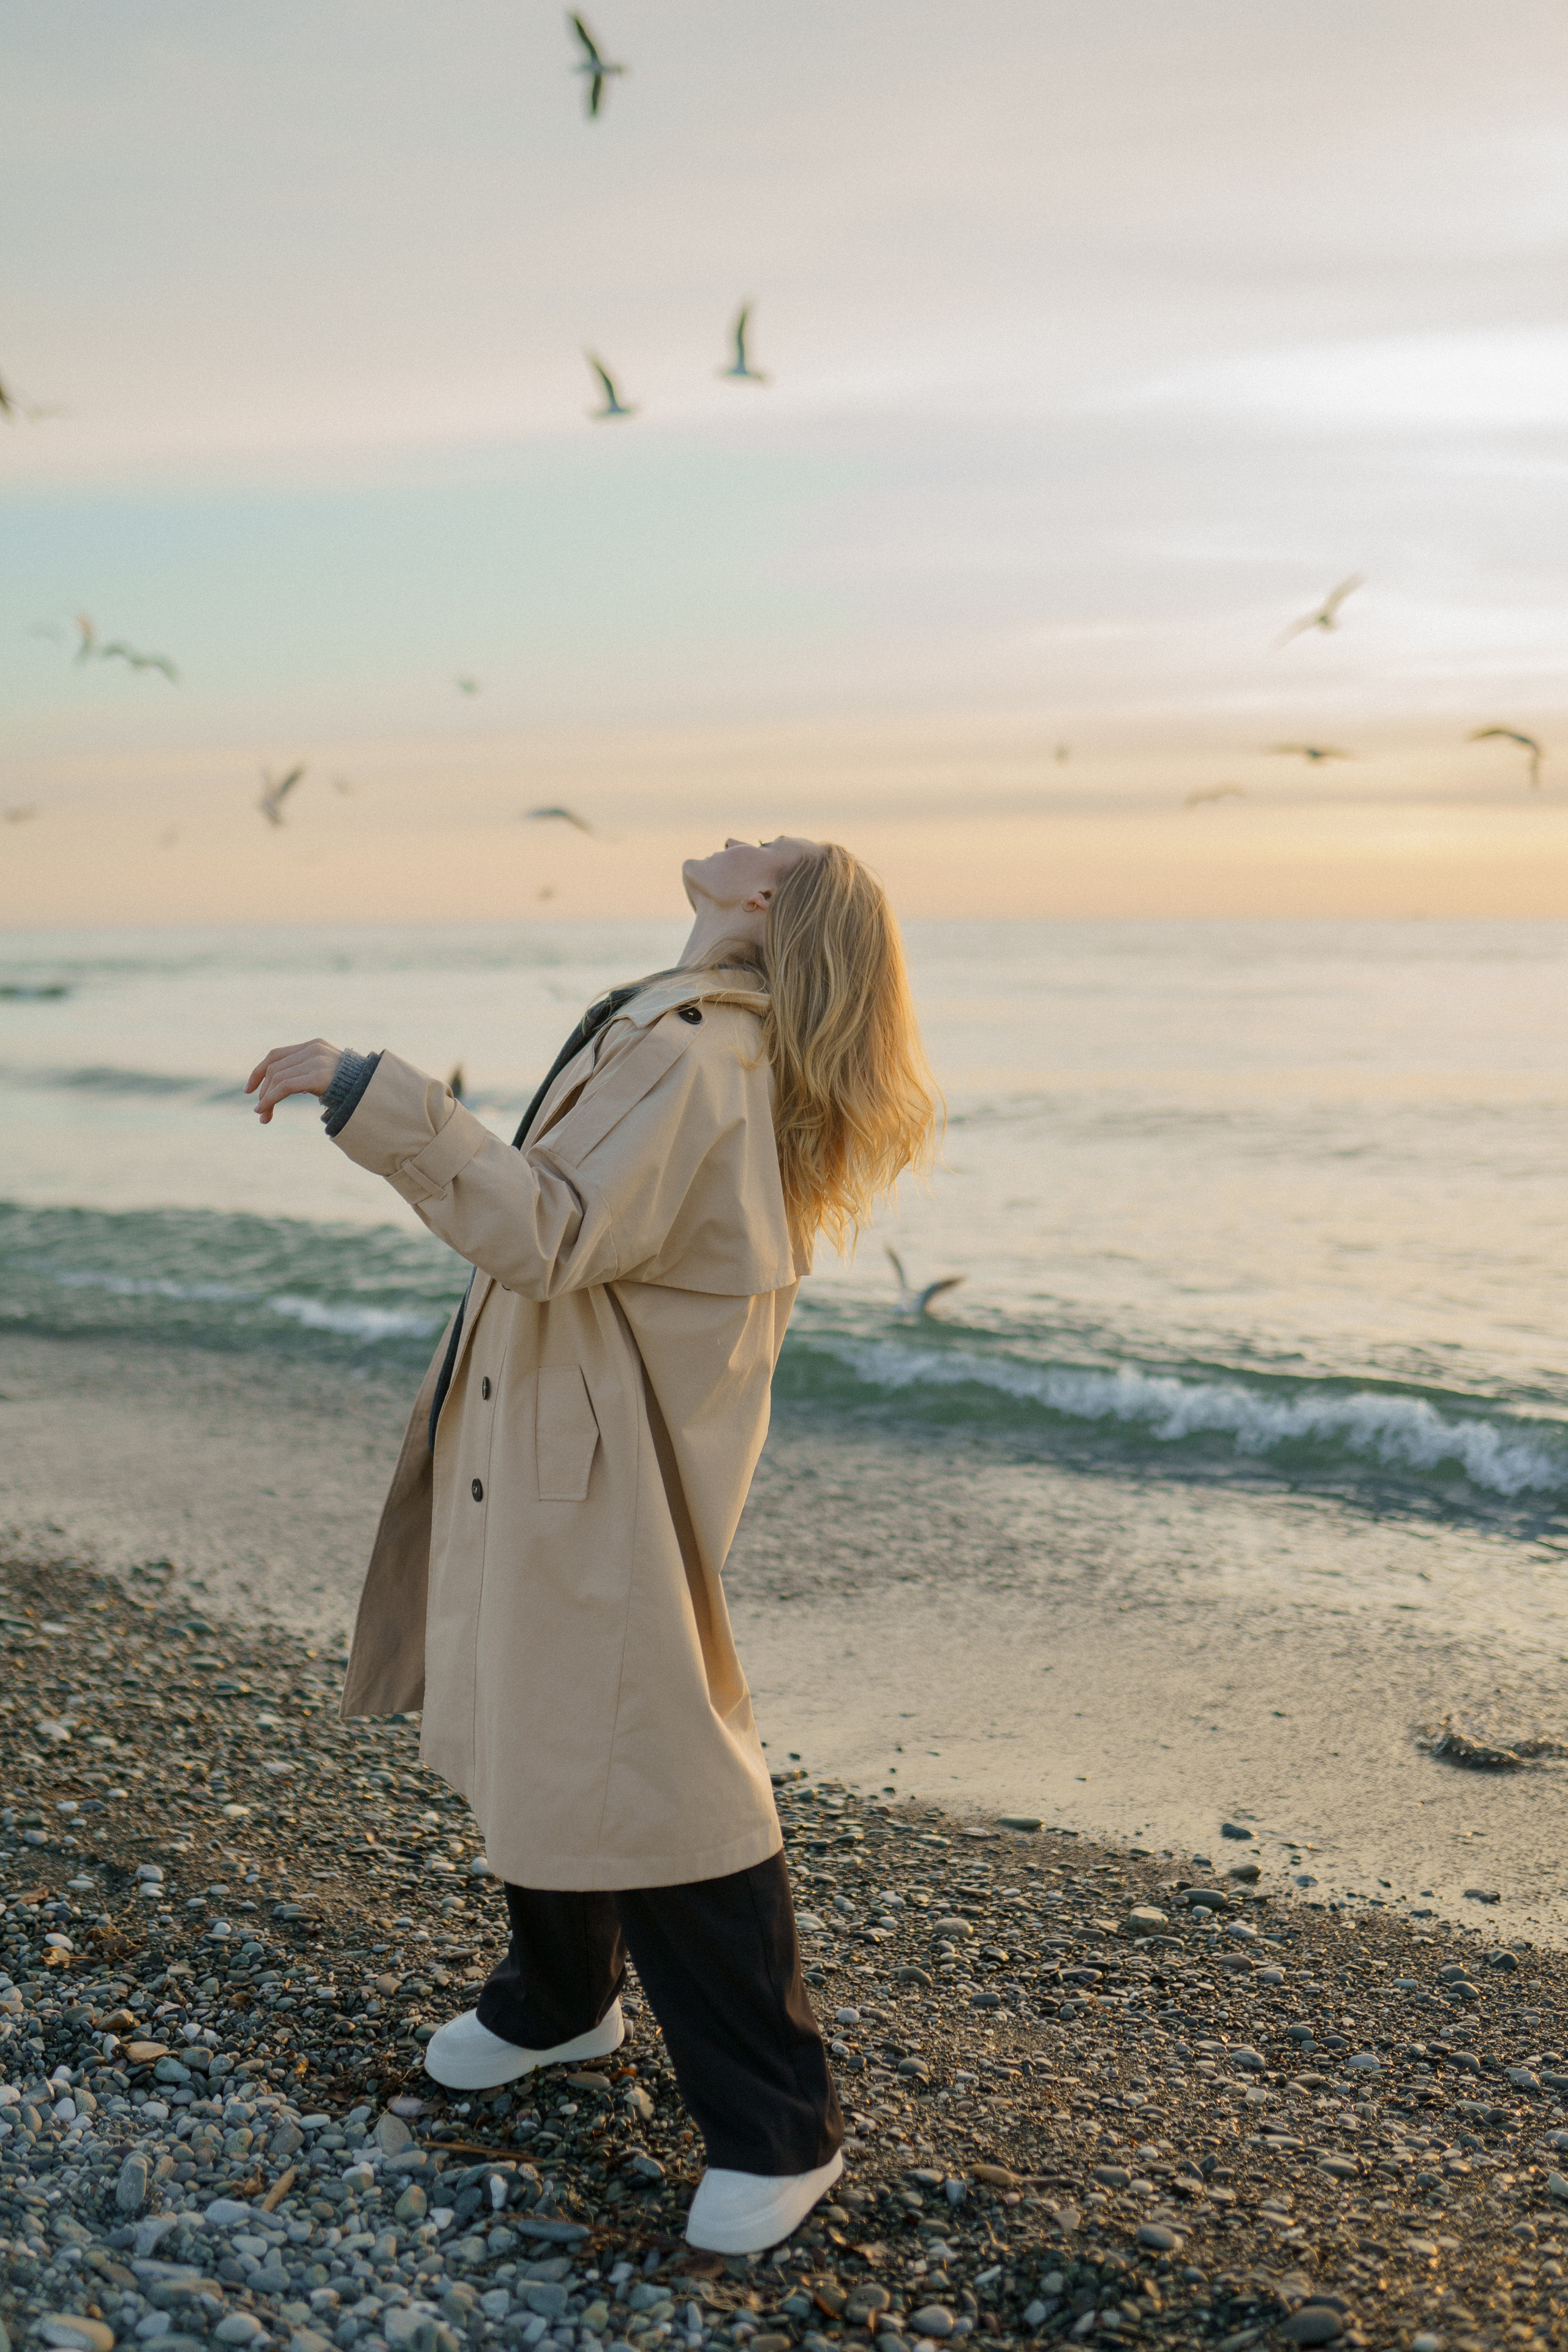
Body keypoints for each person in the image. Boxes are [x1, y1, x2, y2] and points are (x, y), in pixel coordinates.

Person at [246, 835, 938, 2253]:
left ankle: (778, 2124)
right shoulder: (686, 1027)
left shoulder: (694, 1051)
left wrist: (368, 1092)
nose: (740, 834)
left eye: (771, 846)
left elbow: (550, 1230)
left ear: (763, 906)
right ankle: (558, 2003)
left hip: (597, 1428)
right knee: (547, 1698)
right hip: (564, 1406)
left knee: (652, 1747)